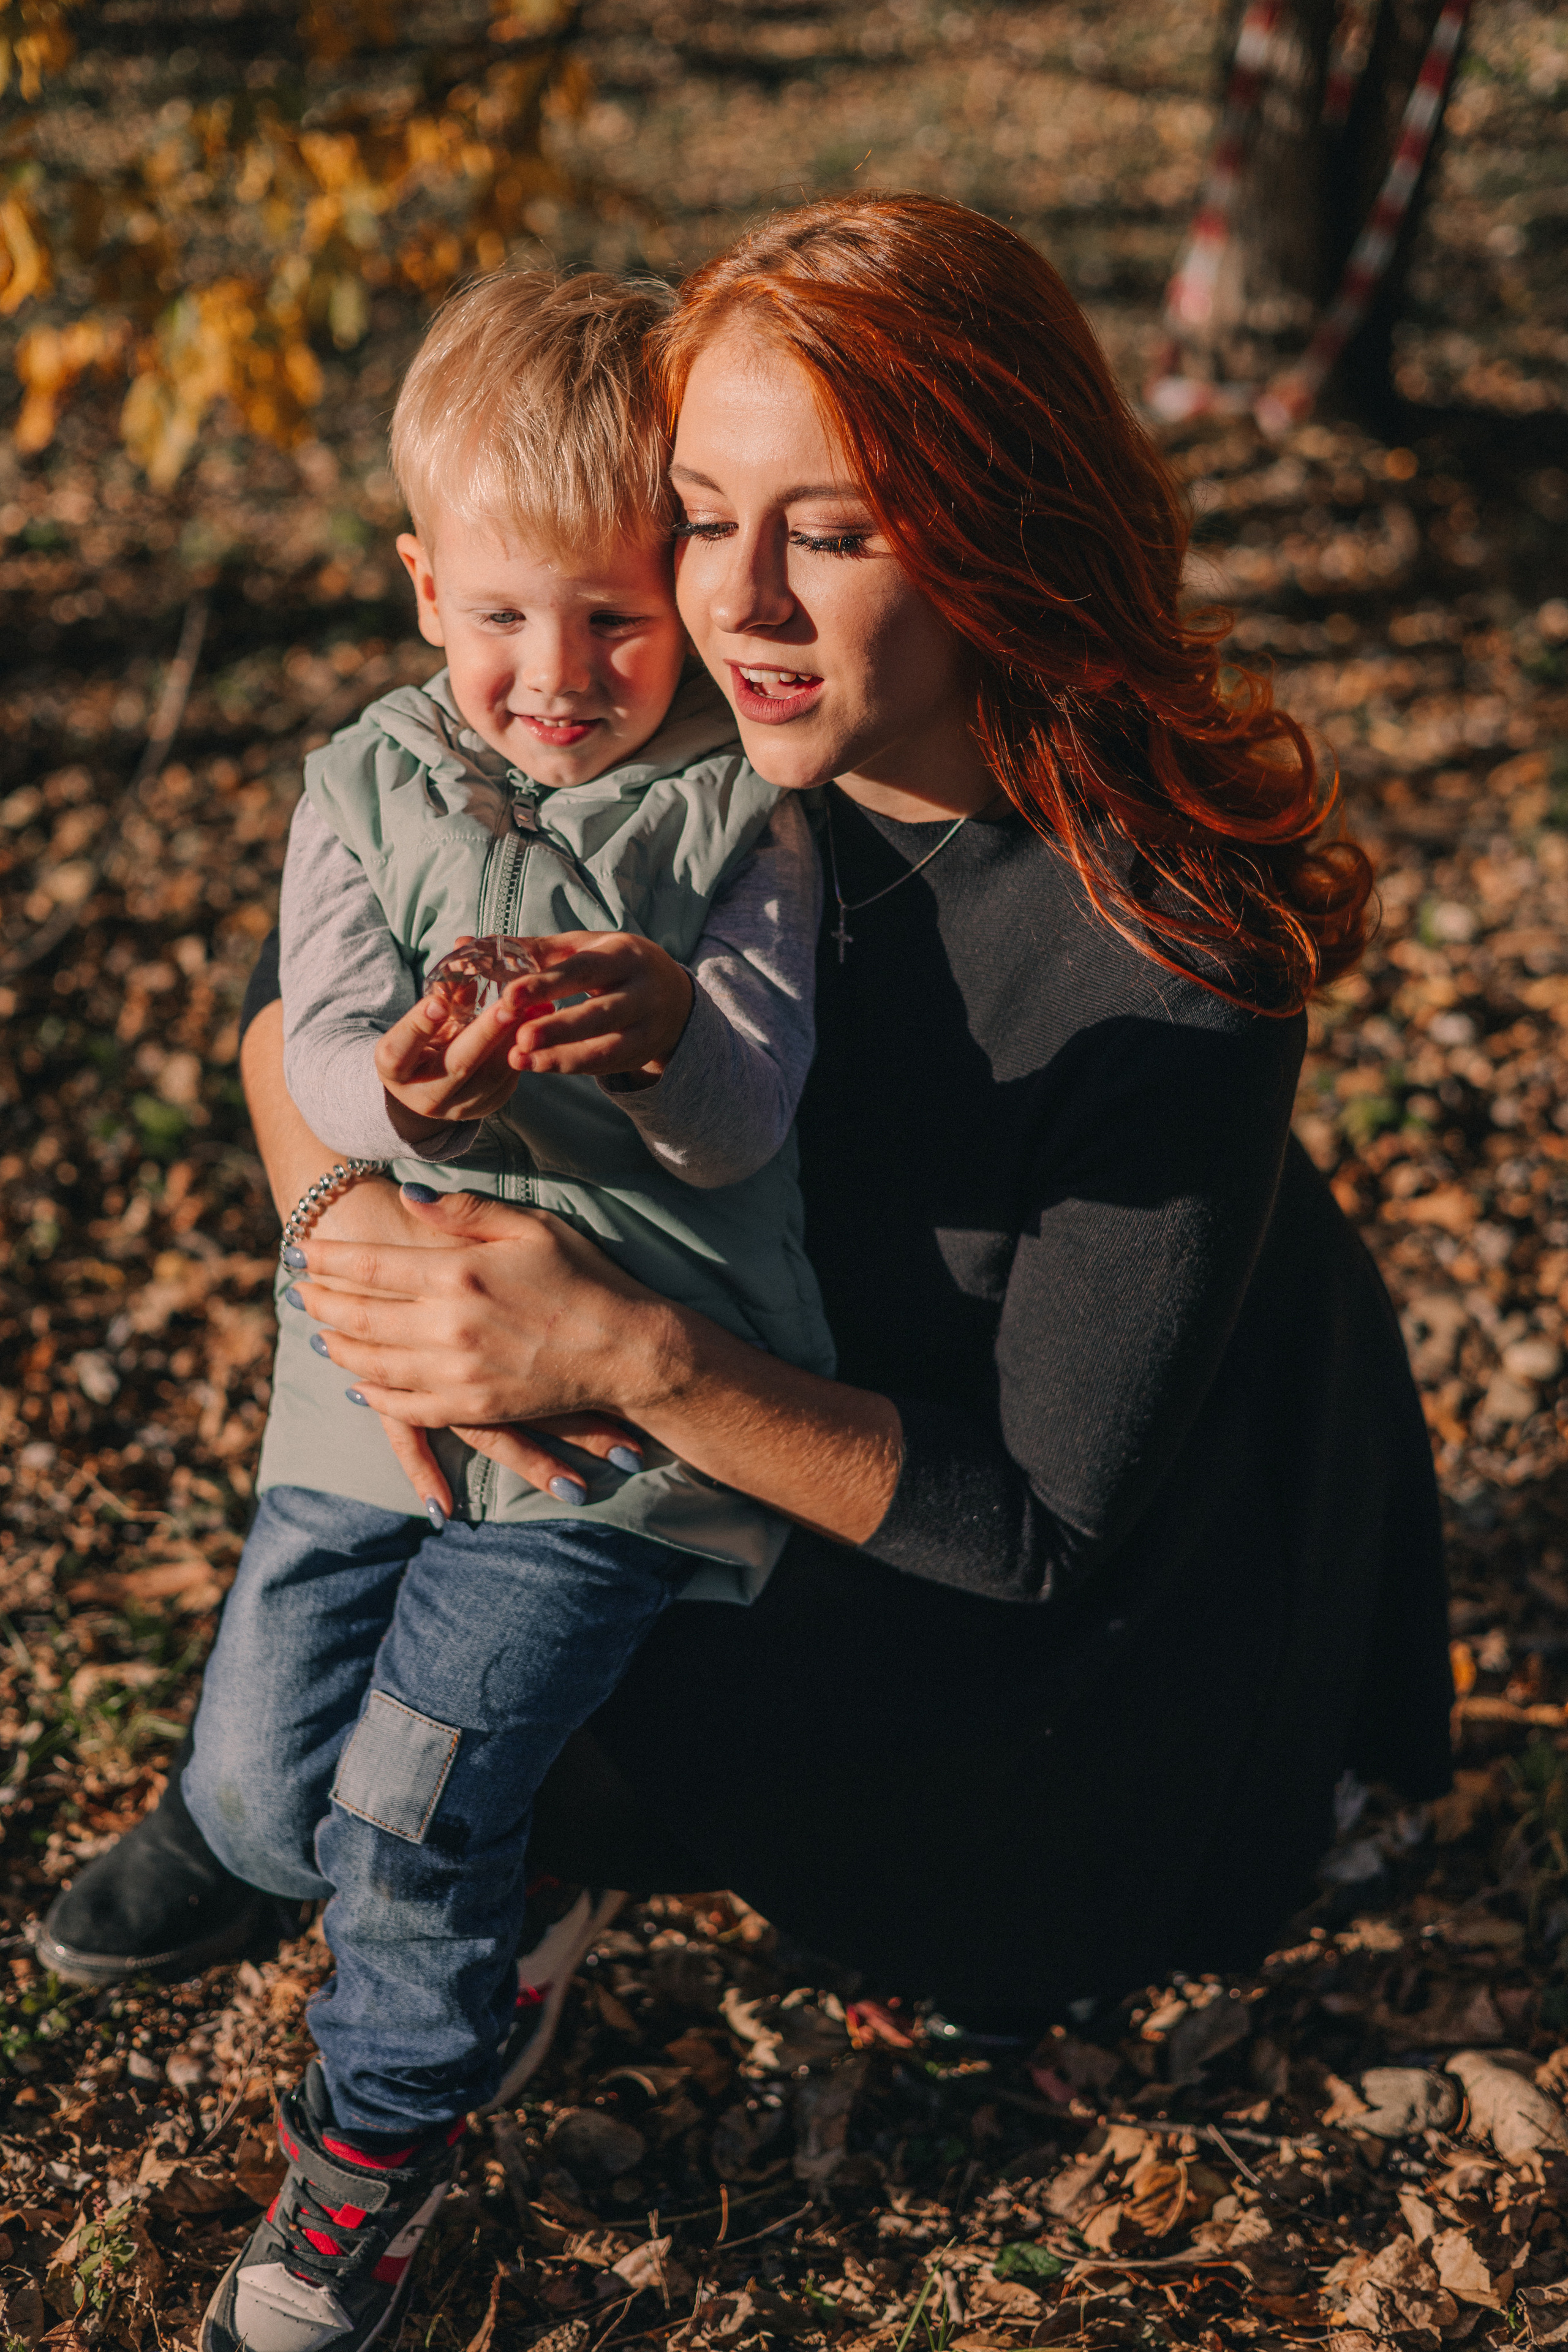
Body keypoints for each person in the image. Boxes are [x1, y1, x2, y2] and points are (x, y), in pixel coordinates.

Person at [47, 190, 1451, 2335]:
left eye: (841, 533)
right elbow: (282, 1032)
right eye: (703, 518)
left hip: (1012, 1567)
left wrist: (612, 1344)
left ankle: (511, 1920)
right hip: (705, 1405)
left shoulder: (1164, 968)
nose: (741, 605)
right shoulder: (638, 727)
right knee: (365, 1705)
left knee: (555, 1749)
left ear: (1000, 537)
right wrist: (357, 1243)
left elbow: (1038, 1528)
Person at [176, 269, 837, 2352]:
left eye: (613, 619)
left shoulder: (742, 812)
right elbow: (318, 1041)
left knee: (399, 1809)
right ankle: (518, 1863)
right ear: (421, 584)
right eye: (497, 616)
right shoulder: (361, 782)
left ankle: (370, 2158)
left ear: (683, 590)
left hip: (612, 1426)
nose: (553, 678)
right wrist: (404, 1089)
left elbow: (742, 1125)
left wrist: (655, 1036)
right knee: (269, 1807)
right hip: (363, 1380)